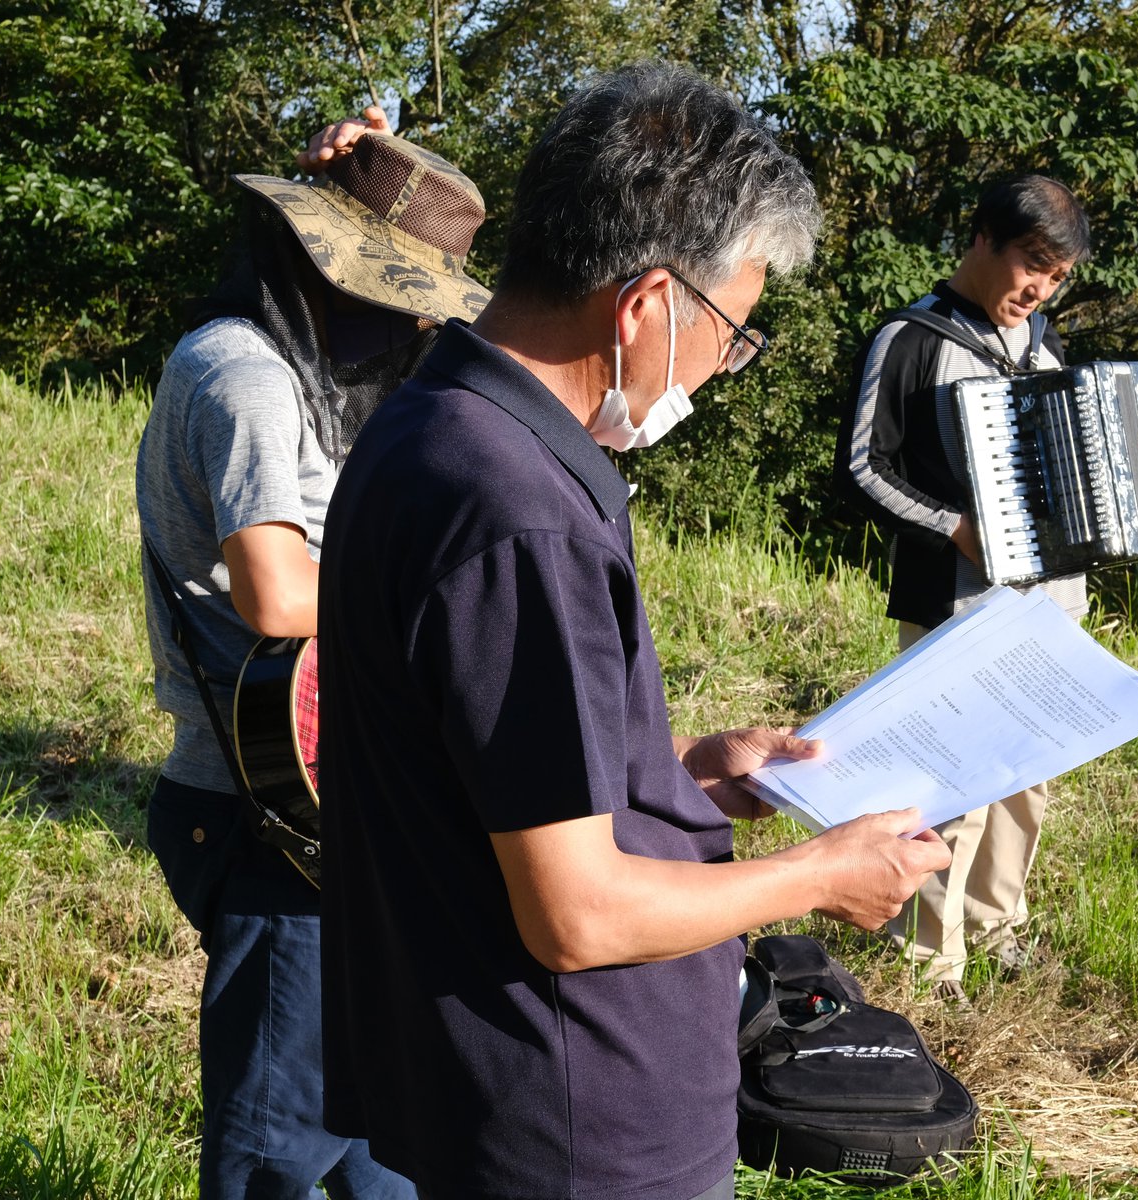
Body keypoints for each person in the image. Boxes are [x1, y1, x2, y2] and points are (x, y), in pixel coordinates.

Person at [315, 63, 953, 1200]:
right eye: (733, 334)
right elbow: (577, 910)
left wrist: (686, 777)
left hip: (495, 1087)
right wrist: (815, 874)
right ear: (648, 303)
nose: (724, 368)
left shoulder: (432, 426)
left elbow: (488, 785)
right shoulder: (515, 512)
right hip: (577, 1122)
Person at [135, 127, 490, 1197]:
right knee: (278, 1152)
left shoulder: (316, 376)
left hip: (338, 803)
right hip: (262, 815)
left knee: (386, 1143)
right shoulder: (242, 373)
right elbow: (277, 594)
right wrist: (446, 607)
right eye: (394, 291)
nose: (412, 319)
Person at [833, 174, 1138, 1001]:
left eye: (1057, 277)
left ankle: (996, 924)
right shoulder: (910, 337)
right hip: (953, 605)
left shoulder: (1048, 346)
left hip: (1046, 607)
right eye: (1032, 265)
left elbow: (1082, 464)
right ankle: (931, 961)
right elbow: (858, 469)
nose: (1040, 289)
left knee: (1027, 777)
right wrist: (955, 525)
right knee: (951, 790)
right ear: (981, 236)